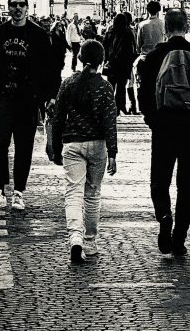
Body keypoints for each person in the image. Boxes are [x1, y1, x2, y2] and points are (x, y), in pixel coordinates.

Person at [138, 8, 190, 256]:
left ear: (165, 28)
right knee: (186, 185)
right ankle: (179, 239)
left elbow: (144, 94)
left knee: (159, 180)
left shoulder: (155, 55)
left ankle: (164, 215)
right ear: (187, 27)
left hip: (164, 126)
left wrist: (152, 119)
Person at [0, 0, 54, 211]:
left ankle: (19, 192)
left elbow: (50, 67)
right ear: (8, 8)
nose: (18, 8)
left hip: (28, 99)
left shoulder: (39, 35)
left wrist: (50, 96)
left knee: (24, 147)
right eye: (13, 5)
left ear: (27, 8)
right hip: (4, 97)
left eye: (21, 5)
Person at [50, 39, 118, 265]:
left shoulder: (68, 83)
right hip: (97, 145)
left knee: (73, 193)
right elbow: (110, 122)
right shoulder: (105, 87)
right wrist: (113, 152)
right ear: (102, 60)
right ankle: (90, 242)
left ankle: (75, 239)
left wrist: (56, 146)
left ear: (80, 58)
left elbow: (57, 118)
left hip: (72, 144)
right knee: (92, 194)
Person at [103, 12, 139, 115]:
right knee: (121, 87)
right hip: (124, 64)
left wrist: (106, 60)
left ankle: (109, 107)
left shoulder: (109, 32)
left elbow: (104, 46)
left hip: (111, 63)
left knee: (111, 86)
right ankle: (120, 107)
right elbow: (132, 49)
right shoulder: (127, 33)